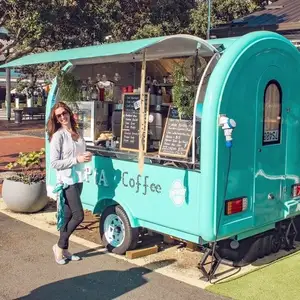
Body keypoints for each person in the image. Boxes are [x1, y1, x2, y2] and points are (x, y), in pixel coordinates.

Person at [47, 101, 92, 265]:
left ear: (69, 113)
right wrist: (76, 159)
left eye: (64, 113)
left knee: (66, 216)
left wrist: (86, 156)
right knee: (78, 215)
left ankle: (64, 249)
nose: (62, 117)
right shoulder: (58, 136)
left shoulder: (76, 132)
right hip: (66, 180)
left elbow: (79, 153)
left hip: (78, 178)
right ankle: (59, 246)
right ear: (56, 119)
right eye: (58, 116)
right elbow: (54, 163)